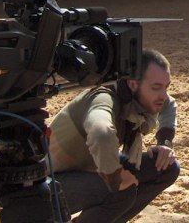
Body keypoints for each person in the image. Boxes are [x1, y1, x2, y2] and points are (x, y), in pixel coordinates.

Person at [48, 49, 180, 223]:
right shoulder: (104, 98)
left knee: (166, 168)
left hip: (88, 169)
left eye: (166, 87)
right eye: (156, 87)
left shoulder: (134, 95)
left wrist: (164, 142)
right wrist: (115, 176)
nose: (163, 94)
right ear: (133, 84)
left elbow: (168, 104)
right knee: (122, 189)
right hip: (51, 186)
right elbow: (101, 133)